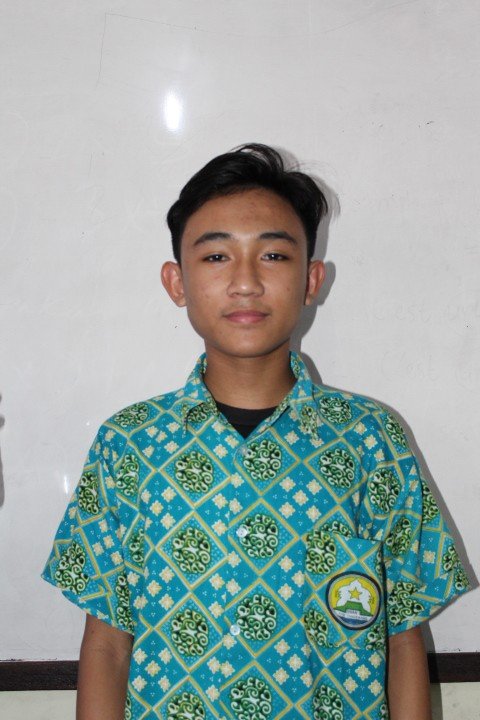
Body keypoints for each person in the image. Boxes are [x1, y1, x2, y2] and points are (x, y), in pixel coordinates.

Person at [42, 144, 470, 720]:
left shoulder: (372, 441)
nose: (245, 282)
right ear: (177, 282)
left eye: (273, 255)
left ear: (311, 279)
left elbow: (402, 637)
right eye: (217, 256)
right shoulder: (129, 445)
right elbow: (107, 646)